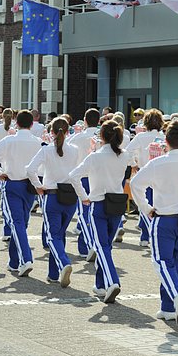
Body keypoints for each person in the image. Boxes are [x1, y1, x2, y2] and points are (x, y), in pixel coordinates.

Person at [130, 120, 178, 327]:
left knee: (161, 261)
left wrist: (146, 207)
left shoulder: (157, 163)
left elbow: (135, 184)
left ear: (166, 142)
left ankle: (176, 295)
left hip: (164, 217)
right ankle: (168, 307)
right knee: (176, 259)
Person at [69, 120, 131, 302]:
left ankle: (112, 281)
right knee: (106, 246)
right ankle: (100, 284)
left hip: (98, 202)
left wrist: (84, 196)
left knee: (101, 246)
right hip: (117, 203)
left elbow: (73, 175)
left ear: (102, 137)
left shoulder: (95, 156)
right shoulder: (124, 155)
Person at [0, 110, 43, 277]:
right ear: (32, 124)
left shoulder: (9, 140)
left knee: (17, 223)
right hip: (30, 185)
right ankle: (14, 261)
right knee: (21, 223)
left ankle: (26, 258)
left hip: (13, 183)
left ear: (16, 123)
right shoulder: (37, 141)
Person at [26, 118, 79, 287]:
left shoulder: (47, 150)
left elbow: (30, 169)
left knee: (52, 236)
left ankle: (63, 263)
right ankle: (53, 273)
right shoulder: (75, 150)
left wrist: (38, 186)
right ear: (68, 131)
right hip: (70, 196)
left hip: (53, 194)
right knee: (60, 234)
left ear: (52, 132)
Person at [125, 108, 165, 247]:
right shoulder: (164, 136)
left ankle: (146, 235)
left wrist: (133, 164)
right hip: (160, 173)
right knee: (156, 203)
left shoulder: (141, 137)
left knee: (144, 202)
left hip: (144, 171)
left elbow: (128, 150)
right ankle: (147, 234)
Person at [68, 108, 102, 261]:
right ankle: (87, 244)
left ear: (85, 120)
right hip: (98, 178)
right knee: (93, 213)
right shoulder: (102, 137)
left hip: (82, 177)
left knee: (83, 214)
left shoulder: (77, 137)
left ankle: (89, 245)